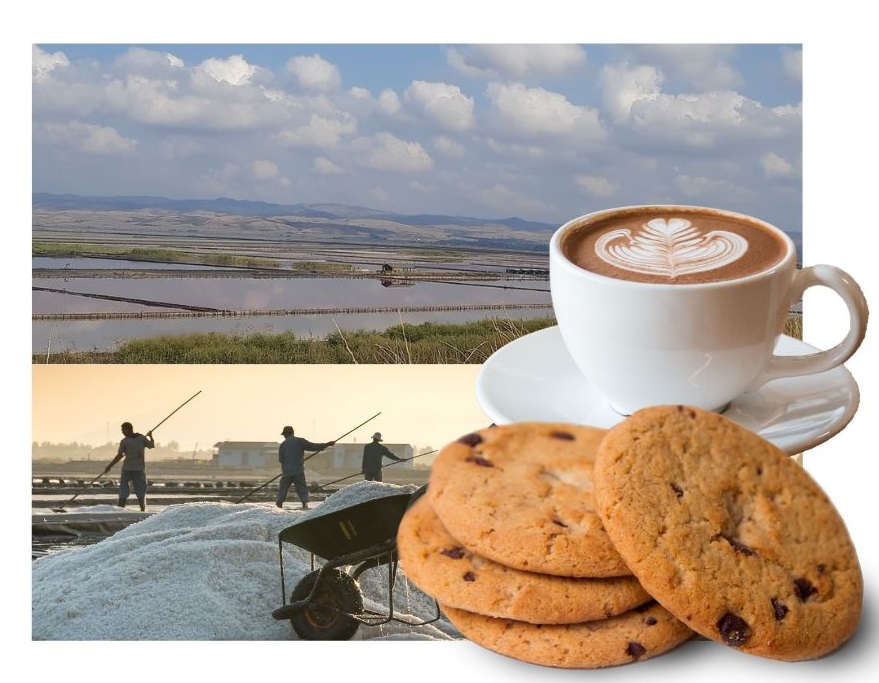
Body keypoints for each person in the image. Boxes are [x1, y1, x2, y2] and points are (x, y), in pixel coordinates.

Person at [277, 426, 335, 510]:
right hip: (298, 471)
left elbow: (281, 460)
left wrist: (288, 465)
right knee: (302, 489)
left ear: (286, 434)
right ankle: (304, 504)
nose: (284, 436)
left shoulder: (283, 445)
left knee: (283, 490)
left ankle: (279, 505)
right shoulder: (299, 441)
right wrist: (326, 445)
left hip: (286, 472)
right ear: (292, 433)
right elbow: (313, 447)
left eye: (284, 434)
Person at [104, 421, 154, 512]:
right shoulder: (124, 441)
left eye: (123, 430)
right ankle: (120, 510)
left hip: (139, 469)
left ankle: (142, 510)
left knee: (140, 491)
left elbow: (151, 445)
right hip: (127, 469)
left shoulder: (141, 438)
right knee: (123, 491)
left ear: (129, 429)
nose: (122, 432)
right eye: (122, 430)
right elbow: (119, 455)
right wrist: (109, 466)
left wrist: (150, 436)